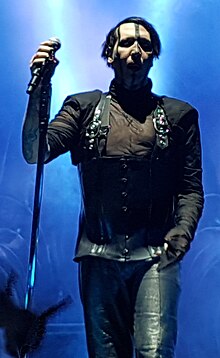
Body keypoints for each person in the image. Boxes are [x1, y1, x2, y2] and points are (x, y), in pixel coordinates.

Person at [22, 16, 204, 358]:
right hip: (99, 256)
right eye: (126, 43)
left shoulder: (180, 115)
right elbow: (35, 152)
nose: (136, 50)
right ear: (110, 54)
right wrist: (39, 90)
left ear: (153, 57)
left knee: (155, 352)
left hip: (155, 257)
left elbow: (191, 186)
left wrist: (182, 232)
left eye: (145, 45)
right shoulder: (83, 107)